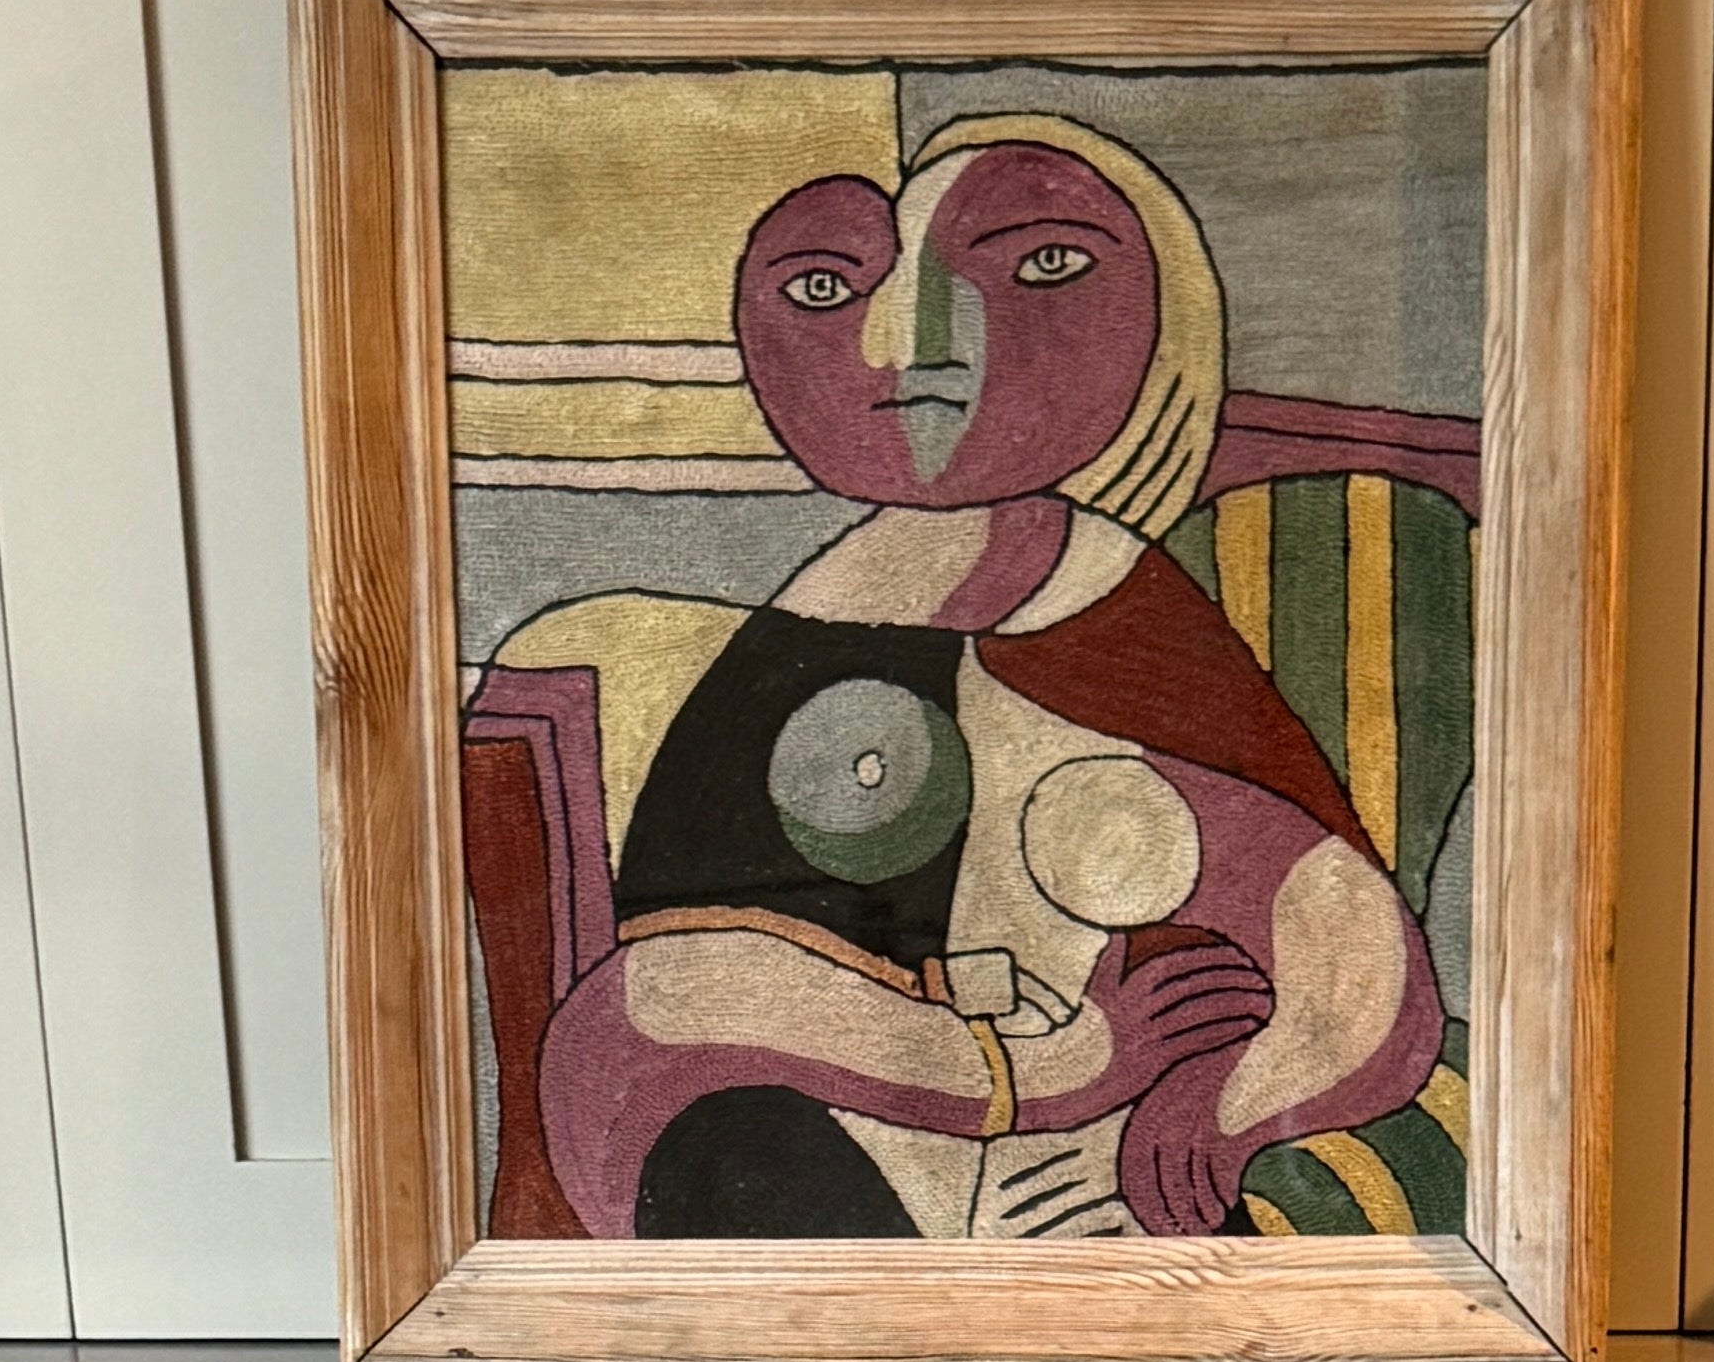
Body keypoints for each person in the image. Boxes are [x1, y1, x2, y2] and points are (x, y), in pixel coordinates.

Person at [530, 119, 1444, 1243]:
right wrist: (1043, 1066)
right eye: (823, 287)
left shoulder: (1123, 620)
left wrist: (1228, 1103)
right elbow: (656, 1010)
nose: (913, 346)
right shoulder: (805, 634)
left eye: (1042, 267)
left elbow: (1349, 952)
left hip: (1095, 1197)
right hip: (841, 1174)